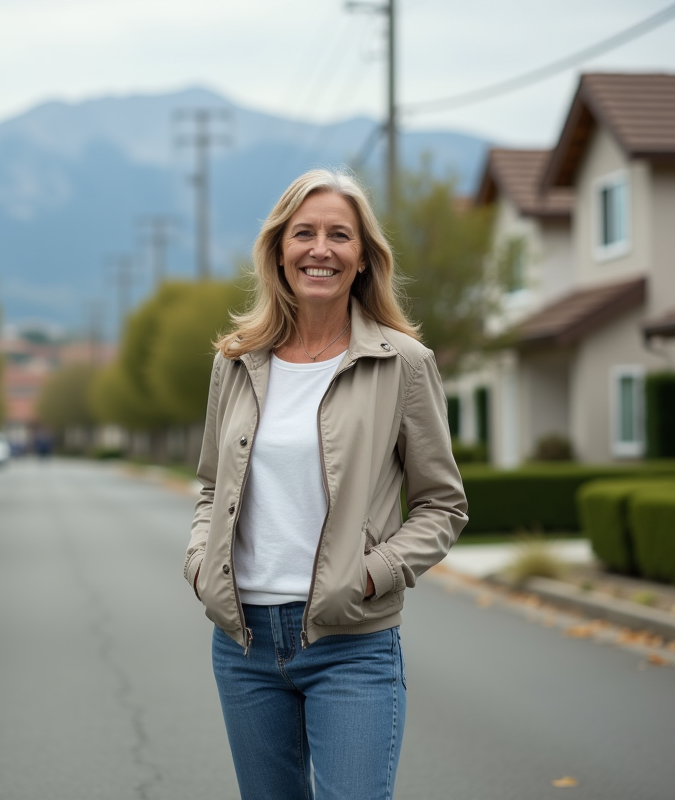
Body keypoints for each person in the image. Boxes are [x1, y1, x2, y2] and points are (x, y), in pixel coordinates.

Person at [184, 168, 468, 800]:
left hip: (353, 644)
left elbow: (442, 504)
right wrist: (201, 562)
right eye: (303, 234)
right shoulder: (235, 362)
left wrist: (373, 573)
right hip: (244, 644)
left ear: (363, 257)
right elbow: (210, 486)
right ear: (279, 251)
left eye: (339, 235)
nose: (320, 249)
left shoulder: (403, 364)